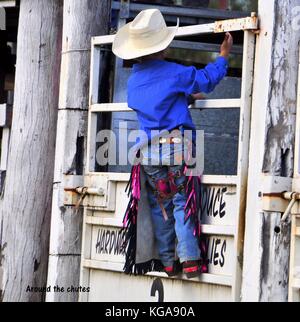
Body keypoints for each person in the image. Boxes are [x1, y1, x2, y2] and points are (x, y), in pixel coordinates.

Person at [113, 9, 233, 278]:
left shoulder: (134, 82)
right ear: (163, 46)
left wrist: (182, 100)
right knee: (182, 202)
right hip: (177, 147)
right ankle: (190, 259)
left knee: (162, 206)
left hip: (148, 153)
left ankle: (168, 261)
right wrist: (223, 57)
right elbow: (207, 81)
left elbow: (156, 104)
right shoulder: (174, 73)